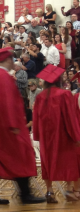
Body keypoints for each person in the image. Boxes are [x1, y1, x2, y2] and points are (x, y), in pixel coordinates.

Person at [0, 48, 45, 205]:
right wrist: (14, 125)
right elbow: (8, 103)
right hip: (5, 127)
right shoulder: (3, 78)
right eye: (12, 60)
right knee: (20, 156)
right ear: (7, 60)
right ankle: (25, 194)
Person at [32, 65, 80, 203]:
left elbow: (36, 117)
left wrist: (37, 135)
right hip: (63, 136)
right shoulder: (64, 94)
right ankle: (68, 190)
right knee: (68, 161)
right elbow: (70, 117)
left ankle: (49, 191)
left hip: (46, 138)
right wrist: (76, 135)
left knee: (47, 162)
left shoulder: (41, 96)